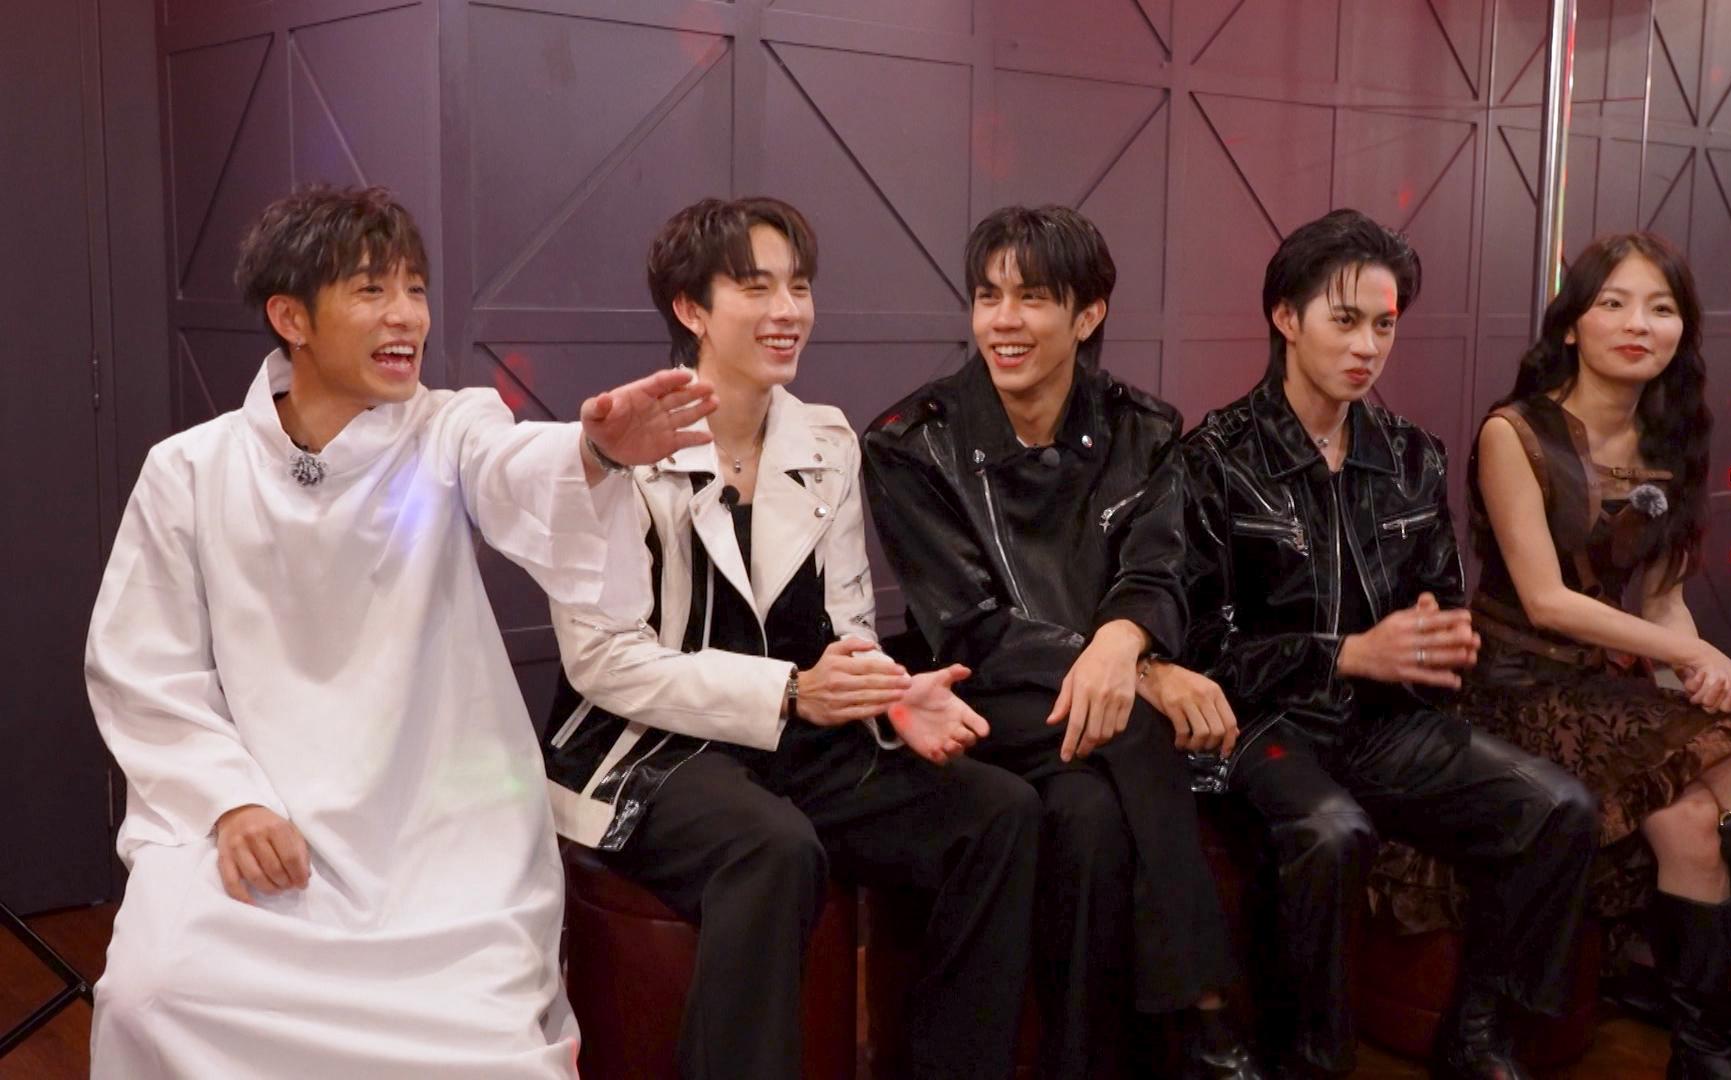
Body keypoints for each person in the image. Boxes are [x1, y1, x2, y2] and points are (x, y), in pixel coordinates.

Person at [84, 185, 716, 1078]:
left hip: (433, 830)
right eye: (372, 289)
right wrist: (229, 800)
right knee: (151, 996)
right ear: (291, 318)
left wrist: (597, 451)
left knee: (485, 1049)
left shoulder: (448, 429)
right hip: (262, 810)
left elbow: (515, 467)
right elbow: (144, 667)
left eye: (415, 289)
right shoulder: (190, 469)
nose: (407, 316)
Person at [1371, 232, 1731, 1080]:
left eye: (1661, 309)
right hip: (1513, 683)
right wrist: (1694, 657)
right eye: (1614, 304)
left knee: (1698, 812)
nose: (1638, 324)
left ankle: (1705, 1047)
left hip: (1602, 686)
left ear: (1682, 330)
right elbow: (1547, 601)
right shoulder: (1515, 432)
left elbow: (1661, 601)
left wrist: (1699, 670)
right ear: (1571, 325)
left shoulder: (1670, 438)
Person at [542, 197, 1039, 1080]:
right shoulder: (616, 445)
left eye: (799, 287)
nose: (788, 311)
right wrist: (789, 693)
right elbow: (603, 661)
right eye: (756, 287)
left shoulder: (827, 440)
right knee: (772, 849)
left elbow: (847, 626)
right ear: (691, 309)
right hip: (648, 744)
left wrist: (890, 696)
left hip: (795, 732)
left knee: (998, 814)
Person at [1150, 208, 1600, 1080]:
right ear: (1287, 317)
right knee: (1330, 831)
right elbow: (1199, 651)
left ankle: (1480, 1038)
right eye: (1345, 320)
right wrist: (1344, 654)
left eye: (1385, 325)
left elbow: (1438, 614)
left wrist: (1437, 646)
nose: (1367, 347)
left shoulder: (1413, 458)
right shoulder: (1213, 460)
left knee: (1559, 809)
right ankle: (1312, 1061)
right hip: (1260, 730)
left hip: (1384, 725)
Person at [863, 205, 1262, 1080]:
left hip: (1097, 714)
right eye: (987, 296)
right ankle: (1205, 1012)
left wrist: (1126, 651)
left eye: (1033, 298)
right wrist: (1140, 674)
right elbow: (969, 623)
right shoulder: (910, 443)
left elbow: (1157, 571)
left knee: (1087, 818)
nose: (1003, 321)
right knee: (1140, 728)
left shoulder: (1144, 429)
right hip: (979, 690)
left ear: (1088, 315)